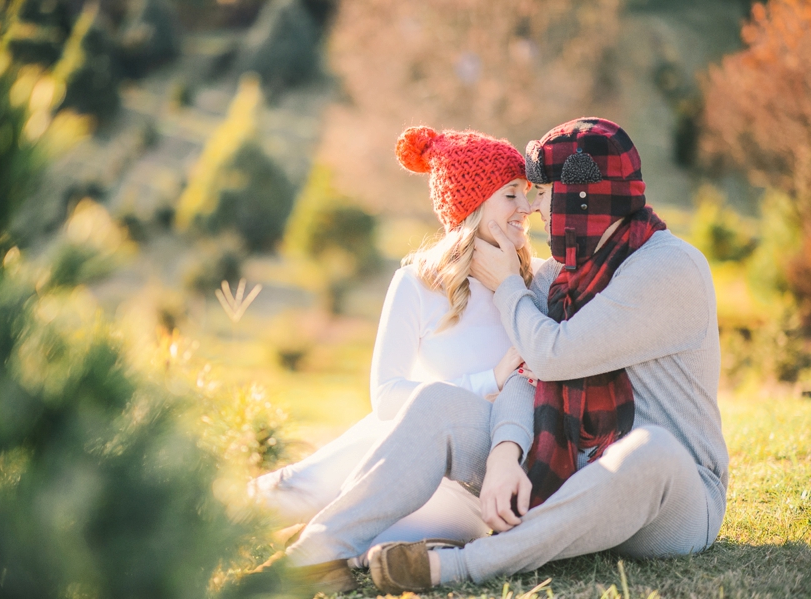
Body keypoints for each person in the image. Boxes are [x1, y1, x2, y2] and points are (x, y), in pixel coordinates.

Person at [279, 117, 729, 595]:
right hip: (568, 469)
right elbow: (524, 374)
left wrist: (507, 288)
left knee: (651, 450)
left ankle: (456, 566)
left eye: (545, 193)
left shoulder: (670, 268)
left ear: (585, 196)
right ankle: (314, 554)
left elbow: (554, 355)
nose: (535, 208)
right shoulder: (558, 275)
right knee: (436, 405)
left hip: (673, 498)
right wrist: (503, 455)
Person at [249, 126, 543, 567]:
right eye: (510, 195)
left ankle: (313, 537)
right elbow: (386, 397)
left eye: (527, 193)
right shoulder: (418, 283)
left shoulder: (536, 283)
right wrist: (490, 379)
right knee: (298, 490)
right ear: (474, 204)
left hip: (478, 481)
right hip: (404, 449)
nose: (527, 208)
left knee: (369, 548)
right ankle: (208, 517)